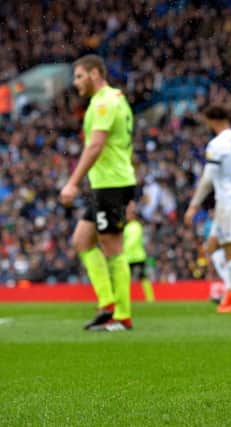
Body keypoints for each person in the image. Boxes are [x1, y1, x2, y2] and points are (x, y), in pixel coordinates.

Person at [59, 54, 136, 331]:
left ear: (94, 74)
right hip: (111, 182)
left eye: (79, 76)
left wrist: (72, 182)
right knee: (82, 240)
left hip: (111, 184)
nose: (75, 82)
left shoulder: (103, 102)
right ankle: (107, 303)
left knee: (112, 246)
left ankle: (122, 315)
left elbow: (95, 146)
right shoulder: (116, 98)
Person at [184, 105, 231, 313]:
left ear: (211, 120)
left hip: (229, 202)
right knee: (211, 247)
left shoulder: (217, 144)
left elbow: (207, 179)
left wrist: (193, 206)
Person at [123, 200, 155, 303]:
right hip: (128, 257)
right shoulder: (126, 227)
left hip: (137, 257)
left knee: (143, 277)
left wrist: (121, 250)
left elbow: (132, 241)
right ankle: (125, 298)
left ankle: (150, 299)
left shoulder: (136, 226)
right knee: (126, 279)